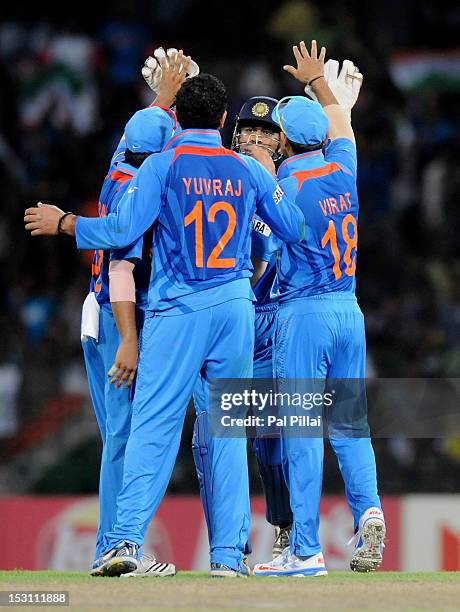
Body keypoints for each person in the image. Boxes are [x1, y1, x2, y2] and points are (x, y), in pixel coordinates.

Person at [24, 72, 305, 578]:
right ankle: (227, 558)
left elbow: (122, 230)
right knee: (228, 431)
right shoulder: (248, 168)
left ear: (182, 119)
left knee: (153, 425)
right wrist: (274, 182)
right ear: (223, 120)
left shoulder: (162, 163)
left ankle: (125, 541)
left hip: (179, 308)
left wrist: (66, 223)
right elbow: (293, 230)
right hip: (235, 309)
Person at [253, 41, 385, 577]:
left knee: (301, 431)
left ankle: (305, 550)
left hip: (303, 314)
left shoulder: (285, 183)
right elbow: (344, 130)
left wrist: (260, 169)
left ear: (283, 140)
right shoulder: (343, 169)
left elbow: (273, 234)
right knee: (352, 426)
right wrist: (323, 86)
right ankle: (369, 511)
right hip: (349, 311)